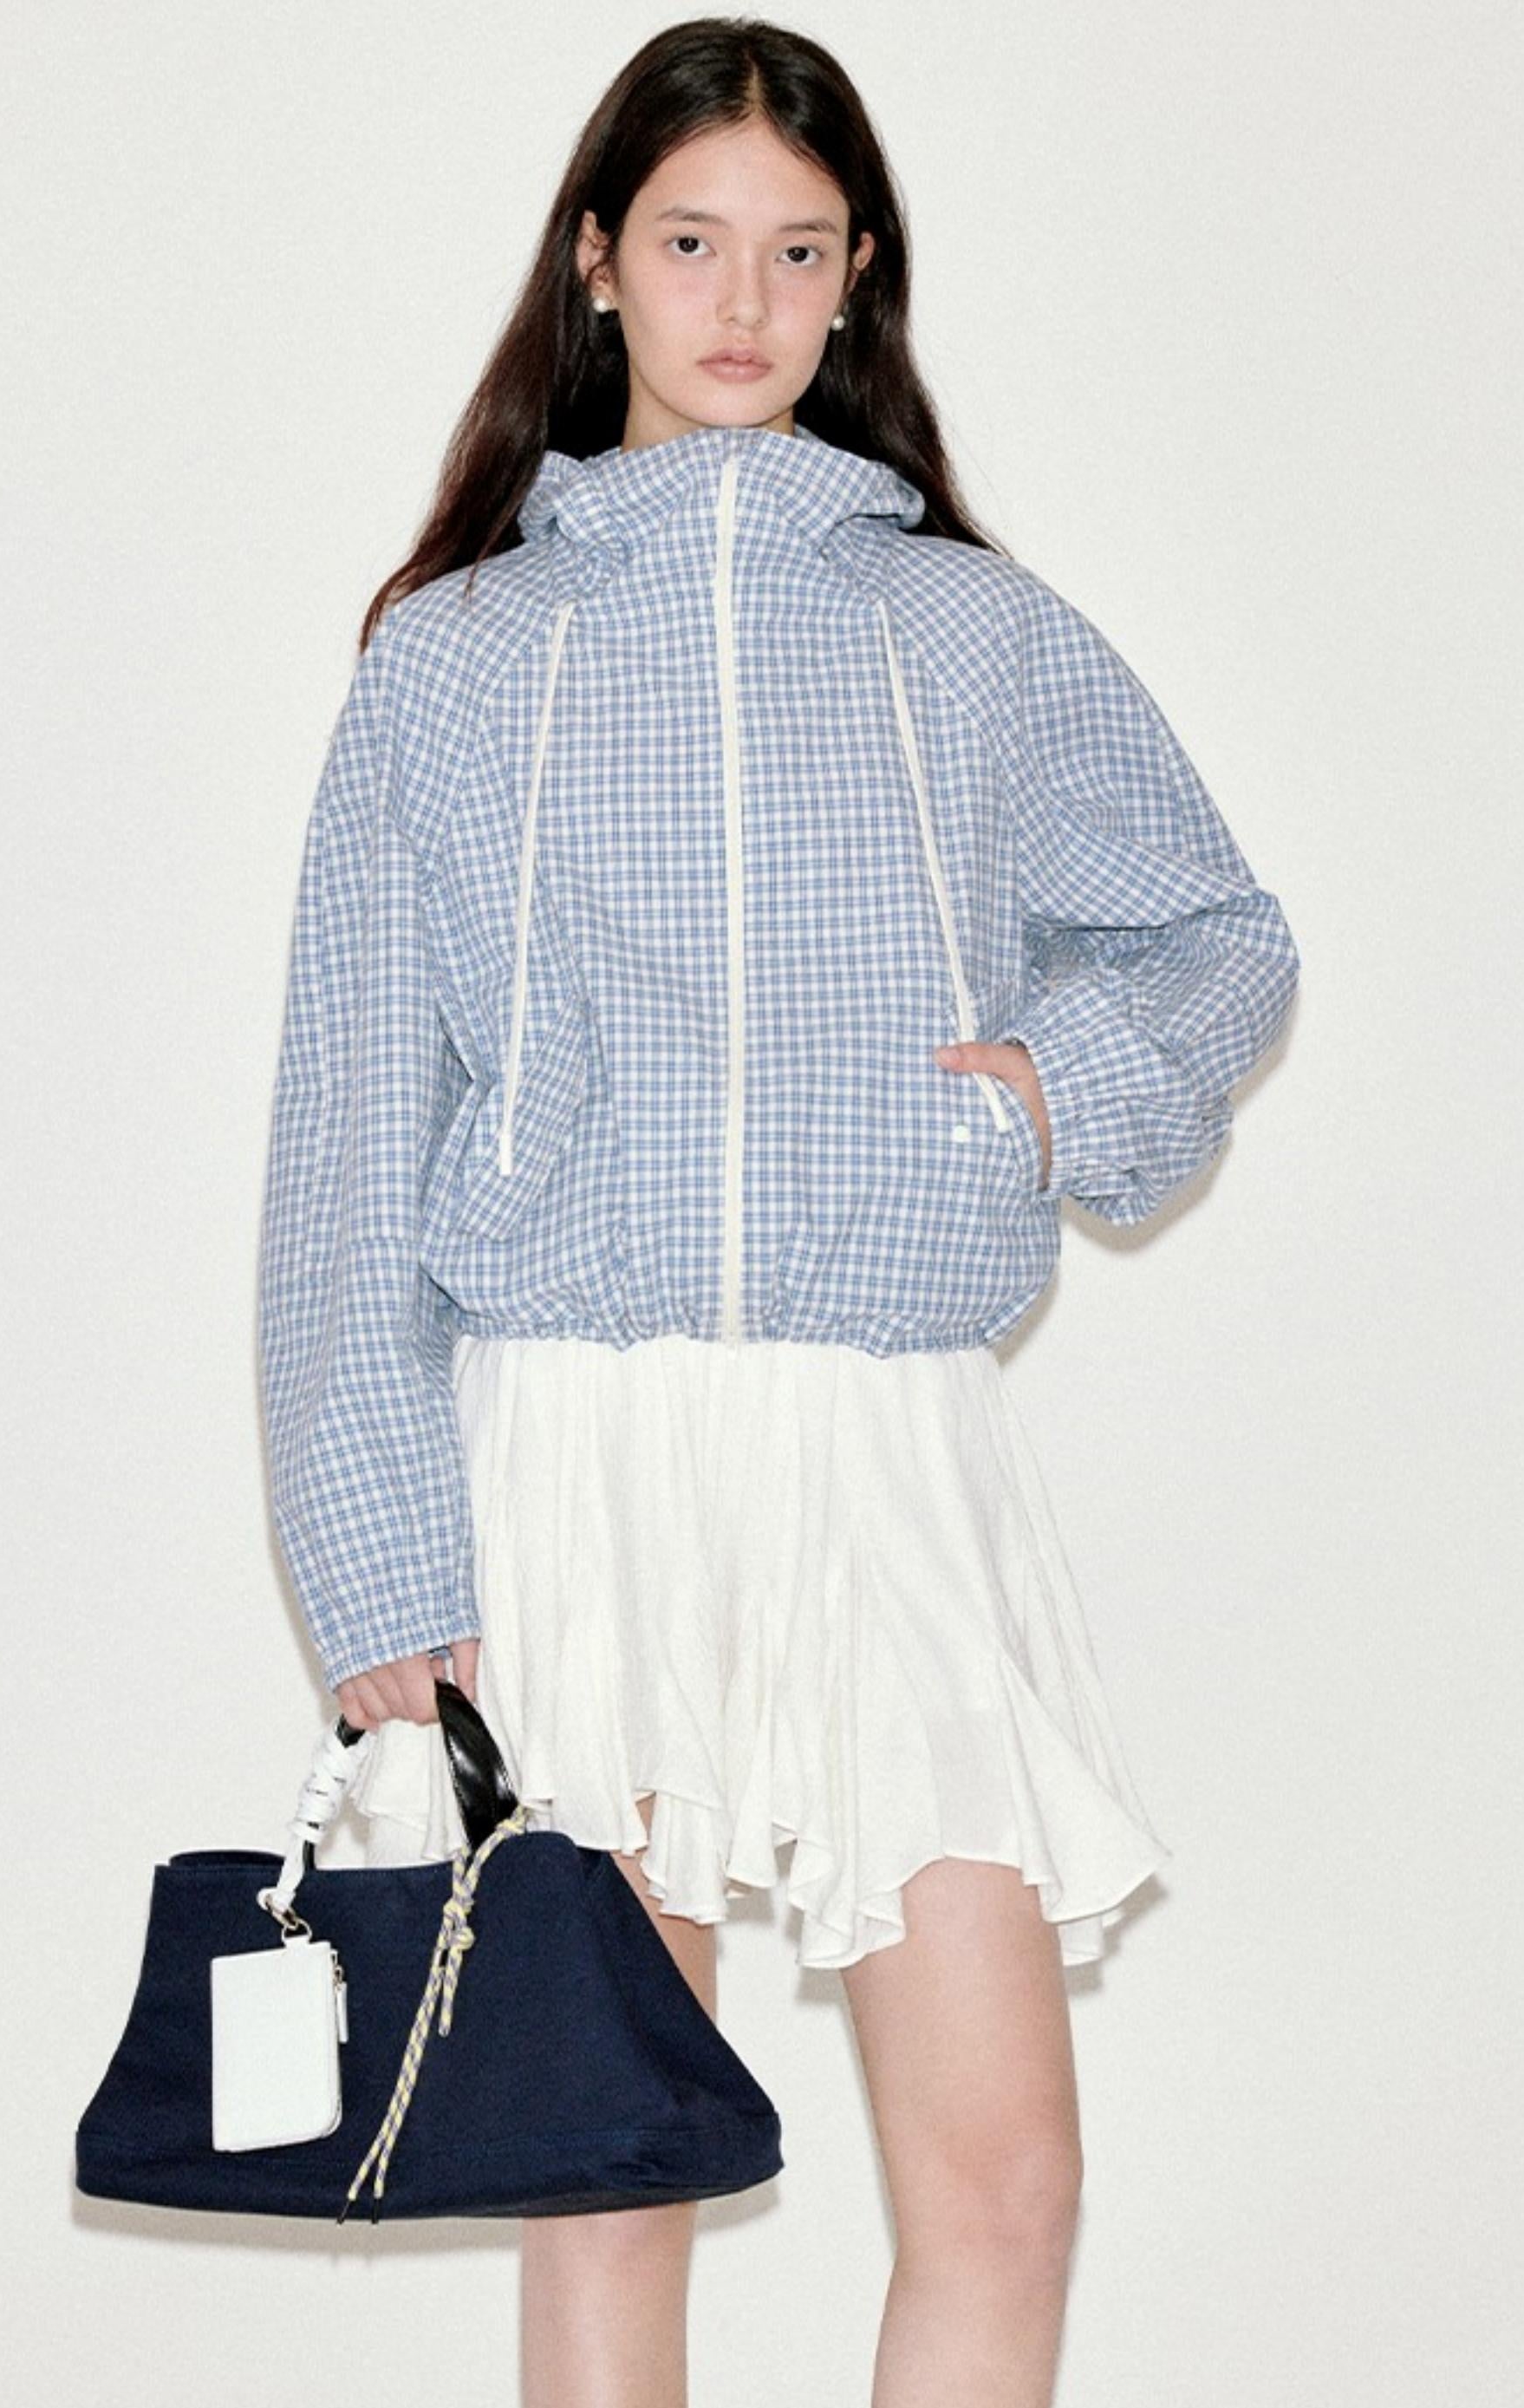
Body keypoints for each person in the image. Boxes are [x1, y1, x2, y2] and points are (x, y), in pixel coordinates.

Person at [256, 18, 1299, 2407]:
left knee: (1004, 2186)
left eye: (800, 251)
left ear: (858, 280)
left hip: (887, 1455)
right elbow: (346, 1129)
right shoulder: (456, 662)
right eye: (694, 240)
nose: (744, 300)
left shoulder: (970, 631)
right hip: (574, 1463)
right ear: (597, 263)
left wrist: (1060, 1090)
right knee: (611, 2182)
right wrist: (376, 1558)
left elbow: (1216, 937)